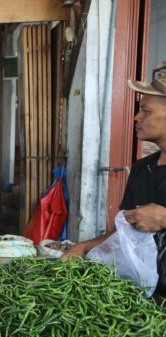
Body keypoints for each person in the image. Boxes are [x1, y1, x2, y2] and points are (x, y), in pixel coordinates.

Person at [63, 75, 166, 296]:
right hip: (145, 294)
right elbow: (123, 231)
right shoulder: (141, 169)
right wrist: (83, 247)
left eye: (146, 111)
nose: (137, 117)